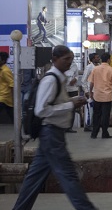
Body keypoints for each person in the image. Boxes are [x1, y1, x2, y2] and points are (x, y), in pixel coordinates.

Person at [12, 45, 96, 210]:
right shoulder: (51, 80)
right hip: (51, 134)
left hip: (52, 135)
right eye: (66, 59)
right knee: (68, 177)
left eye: (71, 60)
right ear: (55, 59)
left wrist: (71, 103)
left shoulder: (59, 79)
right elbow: (41, 110)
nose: (69, 63)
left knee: (34, 179)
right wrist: (70, 105)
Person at [87, 53, 112, 139]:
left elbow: (91, 82)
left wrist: (90, 92)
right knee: (105, 116)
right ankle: (104, 133)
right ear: (109, 60)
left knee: (96, 115)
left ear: (101, 59)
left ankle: (94, 133)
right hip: (107, 96)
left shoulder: (95, 69)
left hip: (97, 96)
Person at [81, 53, 99, 132]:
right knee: (90, 110)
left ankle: (94, 124)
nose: (98, 58)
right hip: (90, 92)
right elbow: (83, 80)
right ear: (92, 59)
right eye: (97, 57)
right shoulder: (89, 67)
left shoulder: (99, 67)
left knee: (96, 110)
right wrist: (86, 91)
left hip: (97, 91)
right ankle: (88, 125)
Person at [64, 60, 80, 133]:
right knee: (64, 108)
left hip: (73, 89)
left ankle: (70, 127)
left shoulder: (74, 65)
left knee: (72, 108)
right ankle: (64, 126)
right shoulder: (62, 65)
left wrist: (75, 79)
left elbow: (77, 75)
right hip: (65, 89)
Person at [0, 52, 14, 123]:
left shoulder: (5, 71)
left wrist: (14, 99)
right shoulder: (1, 69)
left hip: (4, 97)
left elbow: (12, 85)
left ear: (3, 60)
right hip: (3, 97)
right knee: (11, 114)